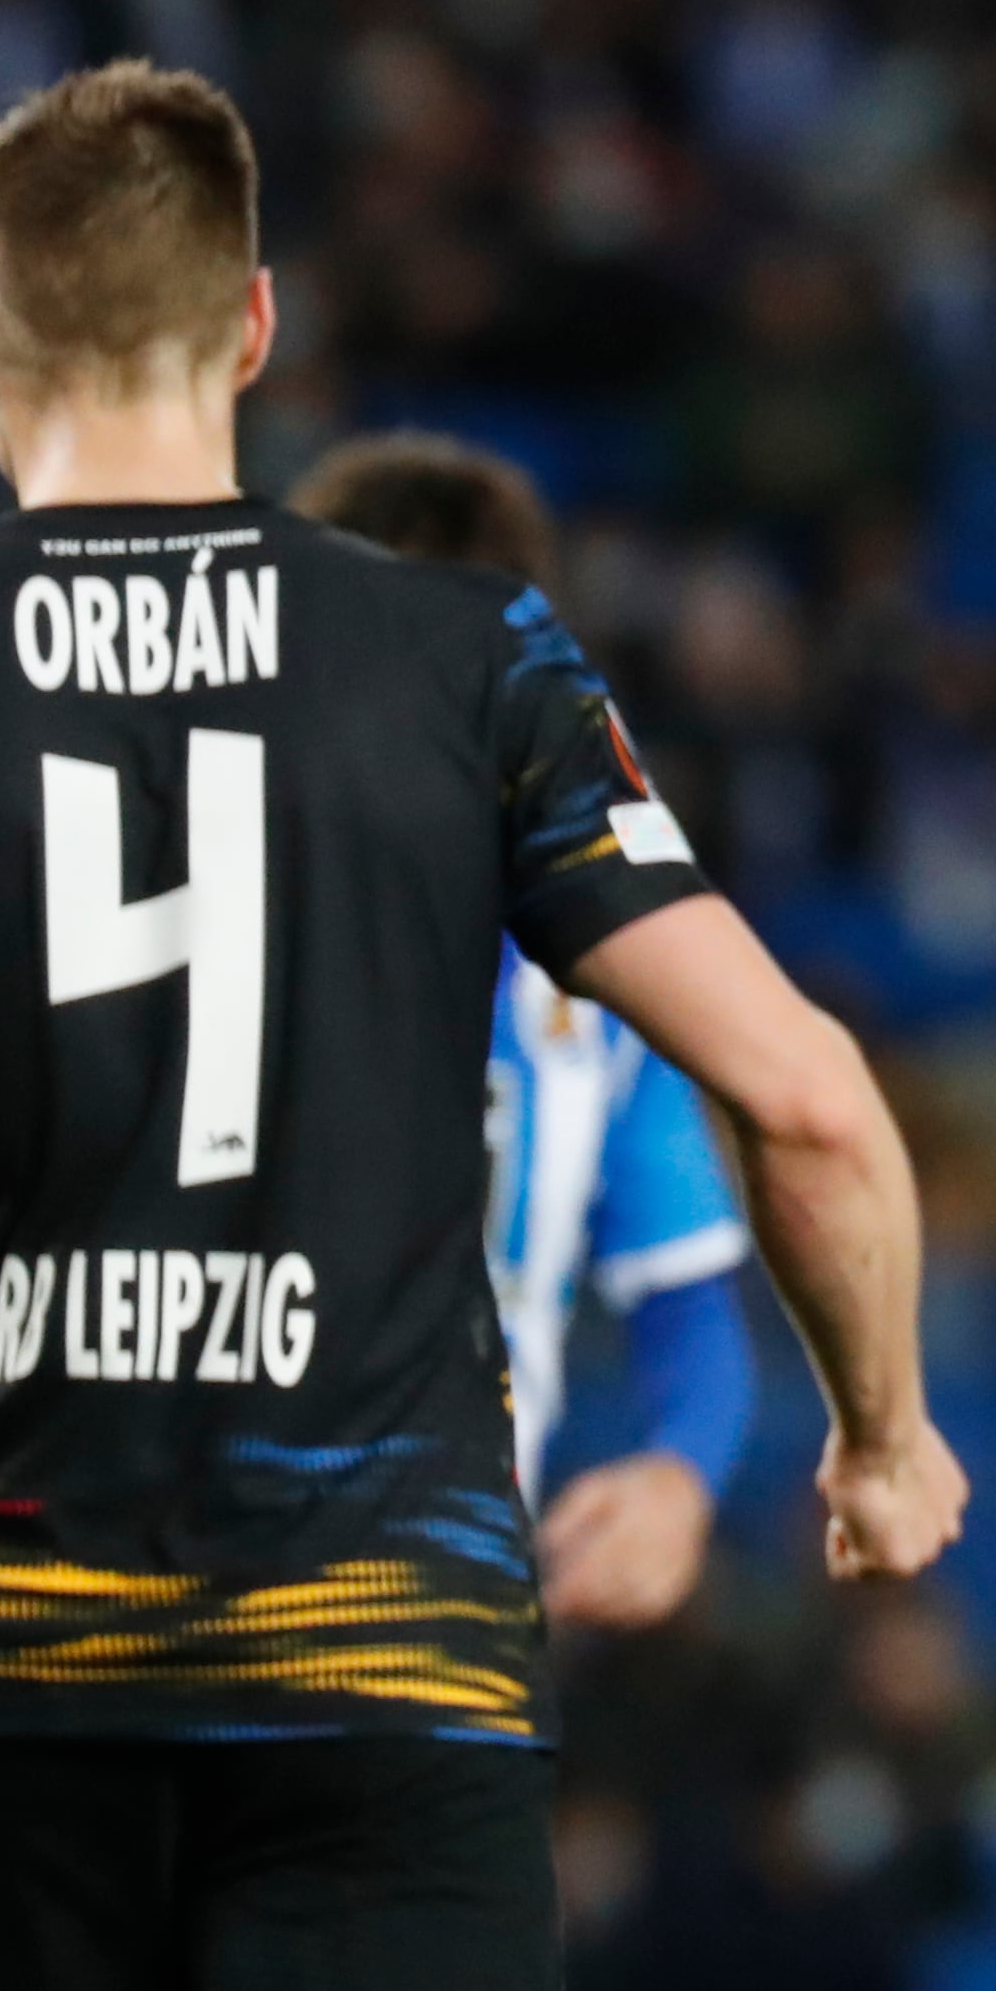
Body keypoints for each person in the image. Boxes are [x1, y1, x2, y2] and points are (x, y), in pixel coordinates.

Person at [0, 61, 968, 1991]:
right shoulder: (473, 664)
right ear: (253, 330)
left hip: (24, 1667)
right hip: (380, 1653)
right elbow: (805, 1096)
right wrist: (880, 1433)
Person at [287, 432, 756, 1629]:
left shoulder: (600, 986)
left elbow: (693, 1302)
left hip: (442, 1645)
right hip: (161, 1636)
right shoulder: (156, 925)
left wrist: (676, 1478)